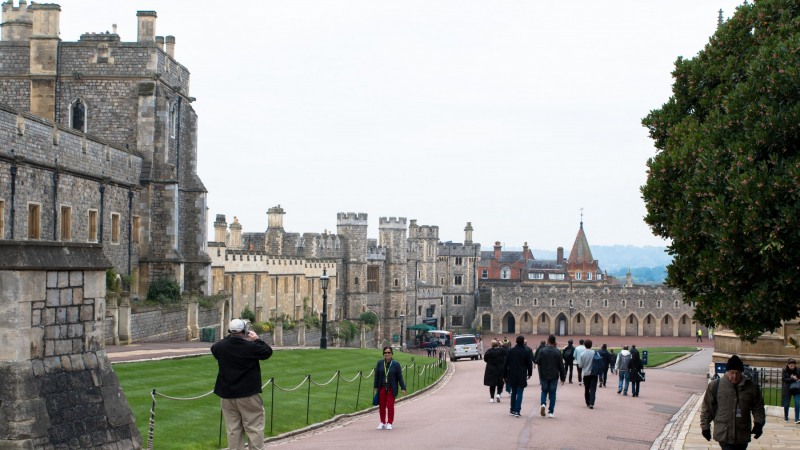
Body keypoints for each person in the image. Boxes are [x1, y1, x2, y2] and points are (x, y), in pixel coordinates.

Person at [211, 319, 274, 450]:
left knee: (233, 430)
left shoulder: (220, 347)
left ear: (230, 331)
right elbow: (267, 352)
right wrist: (256, 339)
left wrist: (230, 338)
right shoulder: (250, 347)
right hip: (248, 394)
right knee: (254, 428)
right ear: (244, 331)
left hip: (227, 395)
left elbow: (215, 348)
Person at [700, 355, 765, 449]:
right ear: (727, 372)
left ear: (742, 372)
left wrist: (759, 423)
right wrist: (705, 427)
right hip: (724, 433)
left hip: (742, 434)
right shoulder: (715, 386)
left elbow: (758, 407)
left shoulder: (751, 387)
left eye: (738, 373)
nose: (735, 376)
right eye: (732, 373)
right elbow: (707, 408)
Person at [374, 346, 406, 430]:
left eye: (389, 352)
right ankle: (382, 422)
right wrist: (376, 386)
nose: (387, 354)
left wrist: (403, 387)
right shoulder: (380, 363)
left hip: (391, 388)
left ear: (392, 353)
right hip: (382, 387)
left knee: (390, 405)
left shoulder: (396, 364)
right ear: (383, 354)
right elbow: (376, 376)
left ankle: (389, 422)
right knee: (382, 406)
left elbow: (400, 377)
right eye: (385, 352)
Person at [534, 334, 566, 418]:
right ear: (554, 342)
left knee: (544, 390)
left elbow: (537, 361)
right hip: (554, 375)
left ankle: (543, 404)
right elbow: (561, 366)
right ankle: (551, 411)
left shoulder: (542, 350)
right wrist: (563, 377)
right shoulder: (557, 351)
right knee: (552, 393)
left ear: (548, 341)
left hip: (544, 374)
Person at [503, 335, 533, 417]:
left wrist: (504, 374)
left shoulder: (510, 351)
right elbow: (529, 364)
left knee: (513, 392)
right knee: (520, 392)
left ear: (516, 341)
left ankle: (512, 409)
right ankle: (517, 410)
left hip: (512, 373)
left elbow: (506, 364)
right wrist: (530, 373)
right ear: (523, 342)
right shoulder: (526, 351)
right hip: (522, 374)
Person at [576, 339, 599, 409]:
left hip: (586, 374)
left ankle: (588, 402)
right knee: (593, 389)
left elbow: (580, 365)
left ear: (585, 345)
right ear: (591, 345)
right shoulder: (595, 353)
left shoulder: (582, 354)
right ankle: (592, 403)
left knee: (586, 389)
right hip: (594, 373)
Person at [781, 358, 799, 423]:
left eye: (793, 365)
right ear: (788, 365)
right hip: (787, 389)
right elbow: (784, 379)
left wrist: (796, 378)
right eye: (791, 365)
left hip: (796, 389)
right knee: (786, 404)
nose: (792, 367)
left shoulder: (798, 370)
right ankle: (786, 417)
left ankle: (797, 418)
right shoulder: (784, 370)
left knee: (797, 403)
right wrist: (792, 378)